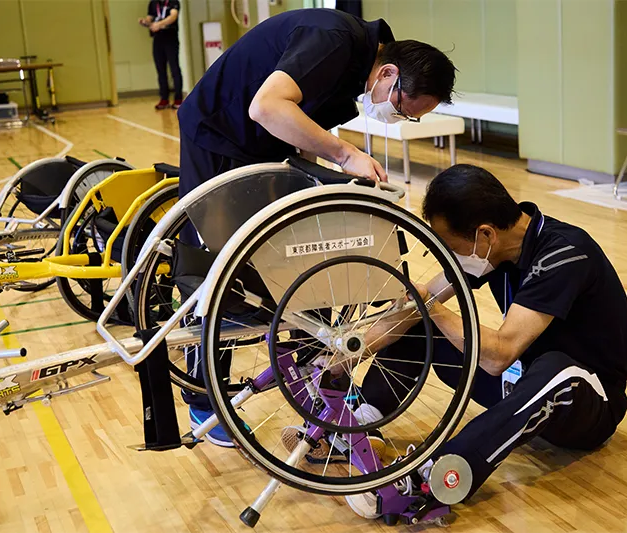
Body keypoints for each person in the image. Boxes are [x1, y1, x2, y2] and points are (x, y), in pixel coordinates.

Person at [176, 8, 457, 447]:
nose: (397, 117)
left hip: (259, 145)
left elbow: (293, 127)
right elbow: (266, 106)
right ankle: (203, 398)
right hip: (219, 138)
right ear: (387, 73)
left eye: (411, 117)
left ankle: (319, 385)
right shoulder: (334, 39)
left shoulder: (354, 68)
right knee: (222, 274)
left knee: (305, 256)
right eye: (402, 107)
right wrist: (345, 156)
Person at [345, 164, 627, 518]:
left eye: (451, 246)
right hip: (522, 383)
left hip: (585, 403)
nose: (449, 256)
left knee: (555, 368)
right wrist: (341, 357)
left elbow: (499, 356)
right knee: (424, 317)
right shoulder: (493, 247)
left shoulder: (565, 252)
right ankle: (358, 420)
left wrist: (429, 306)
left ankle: (434, 474)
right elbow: (418, 304)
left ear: (485, 234)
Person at [139, 0, 183, 110]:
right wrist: (146, 22)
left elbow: (173, 16)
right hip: (158, 39)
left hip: (170, 38)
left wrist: (160, 24)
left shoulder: (173, 2)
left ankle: (178, 98)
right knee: (160, 70)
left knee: (174, 69)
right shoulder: (154, 3)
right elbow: (151, 17)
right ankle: (164, 98)